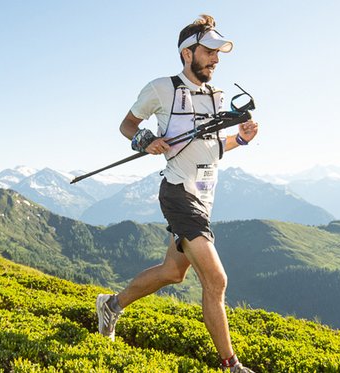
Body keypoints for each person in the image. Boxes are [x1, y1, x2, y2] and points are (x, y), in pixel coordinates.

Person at [95, 14, 258, 373]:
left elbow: (211, 148)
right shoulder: (161, 88)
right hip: (177, 193)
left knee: (173, 271)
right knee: (216, 280)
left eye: (218, 53)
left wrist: (241, 139)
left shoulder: (216, 96)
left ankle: (111, 305)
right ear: (188, 53)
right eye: (209, 51)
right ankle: (231, 365)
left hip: (203, 196)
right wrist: (145, 140)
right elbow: (127, 125)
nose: (216, 59)